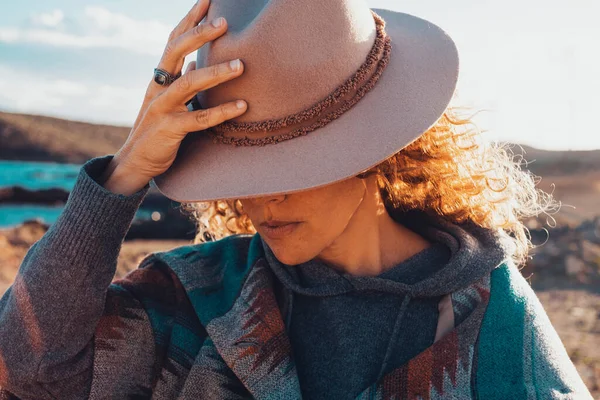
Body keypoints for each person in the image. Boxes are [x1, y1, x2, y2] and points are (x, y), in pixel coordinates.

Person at [0, 0, 593, 398]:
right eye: (240, 166)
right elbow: (28, 373)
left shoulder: (497, 330)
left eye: (290, 164)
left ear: (374, 149)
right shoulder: (197, 296)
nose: (260, 200)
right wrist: (124, 173)